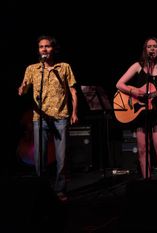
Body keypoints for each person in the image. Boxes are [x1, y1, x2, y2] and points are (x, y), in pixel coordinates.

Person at [18, 35, 78, 201]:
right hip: (40, 117)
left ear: (53, 49)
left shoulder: (64, 67)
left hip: (61, 115)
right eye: (41, 47)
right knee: (39, 156)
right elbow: (23, 89)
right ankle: (41, 188)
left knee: (61, 156)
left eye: (47, 46)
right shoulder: (32, 69)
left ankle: (60, 189)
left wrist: (74, 112)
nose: (44, 49)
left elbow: (73, 91)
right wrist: (22, 88)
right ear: (38, 50)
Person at [116, 37, 157, 179]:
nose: (152, 49)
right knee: (142, 150)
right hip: (140, 113)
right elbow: (119, 84)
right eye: (149, 46)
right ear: (145, 50)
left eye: (155, 46)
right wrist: (133, 91)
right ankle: (147, 182)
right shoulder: (138, 66)